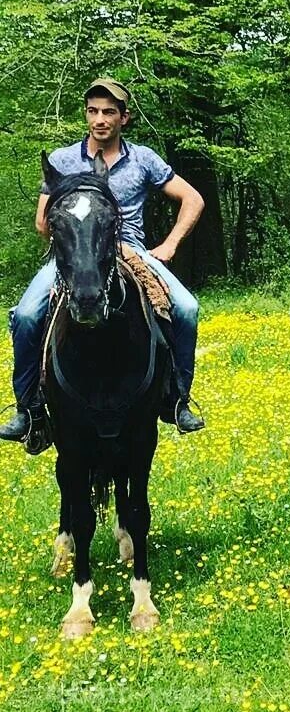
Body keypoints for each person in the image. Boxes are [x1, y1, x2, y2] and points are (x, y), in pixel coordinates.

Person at [0, 78, 207, 448]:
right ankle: (28, 410)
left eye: (109, 111)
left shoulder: (143, 158)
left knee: (188, 308)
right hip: (75, 254)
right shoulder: (63, 160)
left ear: (123, 117)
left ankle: (177, 399)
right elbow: (42, 221)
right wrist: (74, 248)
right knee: (27, 314)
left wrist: (171, 244)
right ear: (86, 114)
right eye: (93, 111)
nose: (100, 119)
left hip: (131, 251)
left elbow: (192, 199)